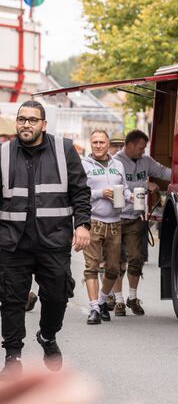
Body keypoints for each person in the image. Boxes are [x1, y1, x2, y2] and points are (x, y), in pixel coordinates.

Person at [0, 100, 91, 375]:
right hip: (12, 243)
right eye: (21, 119)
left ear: (43, 124)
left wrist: (82, 224)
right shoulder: (3, 153)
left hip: (53, 241)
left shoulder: (64, 150)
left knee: (56, 296)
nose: (26, 125)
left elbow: (80, 191)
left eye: (32, 120)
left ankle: (47, 335)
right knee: (11, 300)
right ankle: (13, 357)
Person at [110, 130, 172, 316]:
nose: (143, 151)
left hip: (136, 219)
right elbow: (118, 186)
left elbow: (163, 171)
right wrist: (145, 185)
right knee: (116, 261)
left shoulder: (145, 161)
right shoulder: (116, 162)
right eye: (140, 148)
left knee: (137, 258)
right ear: (130, 145)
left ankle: (132, 297)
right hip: (116, 218)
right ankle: (119, 300)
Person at [81, 130, 129, 325]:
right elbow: (79, 192)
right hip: (93, 221)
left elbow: (125, 189)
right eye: (95, 142)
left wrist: (133, 197)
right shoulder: (84, 164)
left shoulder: (118, 165)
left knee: (113, 269)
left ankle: (102, 301)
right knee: (91, 267)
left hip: (115, 223)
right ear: (90, 144)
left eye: (102, 142)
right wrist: (101, 193)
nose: (98, 145)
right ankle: (94, 308)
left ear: (108, 144)